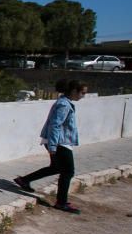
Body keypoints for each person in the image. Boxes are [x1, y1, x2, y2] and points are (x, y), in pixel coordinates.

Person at [13, 79, 87, 213]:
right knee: (68, 172)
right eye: (82, 92)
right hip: (59, 143)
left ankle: (24, 180)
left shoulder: (64, 103)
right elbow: (55, 125)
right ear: (74, 91)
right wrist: (53, 146)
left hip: (58, 142)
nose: (83, 96)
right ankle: (61, 202)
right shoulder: (64, 105)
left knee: (55, 168)